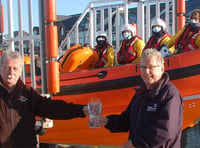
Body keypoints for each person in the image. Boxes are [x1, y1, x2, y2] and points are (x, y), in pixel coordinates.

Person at [0, 50, 88, 148]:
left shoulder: (28, 94)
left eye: (15, 69)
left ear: (20, 71)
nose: (11, 72)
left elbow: (52, 108)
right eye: (7, 68)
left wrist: (81, 110)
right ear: (0, 69)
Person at [99, 48, 183, 148]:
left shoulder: (170, 94)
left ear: (161, 68)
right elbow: (126, 120)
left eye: (151, 67)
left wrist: (135, 144)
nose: (146, 72)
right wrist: (105, 121)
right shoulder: (140, 94)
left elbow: (166, 130)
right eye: (143, 67)